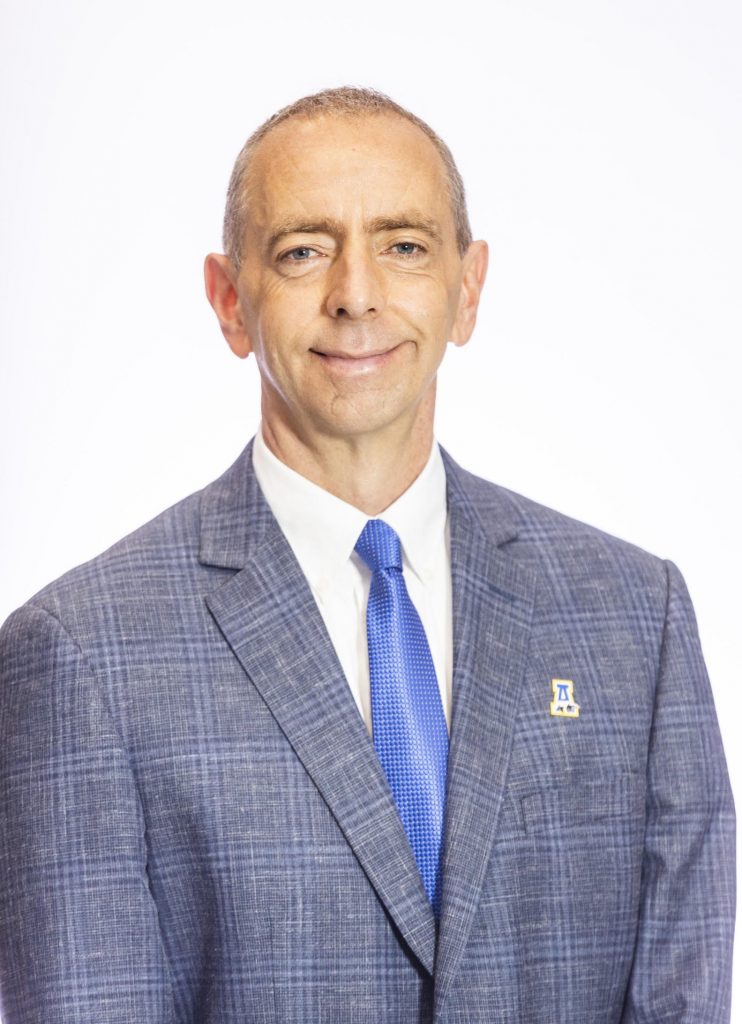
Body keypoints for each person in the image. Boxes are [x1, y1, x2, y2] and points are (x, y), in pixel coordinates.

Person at [0, 86, 734, 1023]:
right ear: (230, 301)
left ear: (469, 288)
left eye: (405, 246)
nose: (356, 294)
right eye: (303, 251)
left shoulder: (635, 616)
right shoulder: (81, 654)